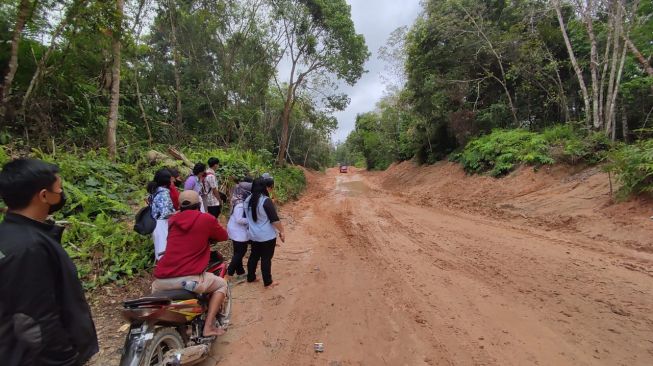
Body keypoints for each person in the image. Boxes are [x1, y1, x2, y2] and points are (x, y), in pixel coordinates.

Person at [0, 158, 98, 366]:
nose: (62, 194)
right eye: (59, 189)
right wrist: (66, 359)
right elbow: (35, 319)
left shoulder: (10, 235)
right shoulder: (29, 247)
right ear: (44, 196)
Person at [152, 190, 229, 337]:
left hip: (160, 281)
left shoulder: (172, 221)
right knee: (221, 285)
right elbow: (223, 236)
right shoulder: (206, 219)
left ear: (179, 206)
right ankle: (208, 327)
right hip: (188, 279)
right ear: (199, 204)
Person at [245, 176, 285, 287]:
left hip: (253, 235)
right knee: (266, 258)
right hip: (267, 236)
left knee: (254, 256)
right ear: (264, 187)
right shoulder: (265, 201)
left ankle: (251, 277)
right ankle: (268, 282)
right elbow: (274, 220)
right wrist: (282, 231)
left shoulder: (247, 200)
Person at [226, 177, 252, 282]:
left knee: (237, 251)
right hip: (238, 231)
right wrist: (251, 220)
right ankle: (229, 272)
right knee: (241, 252)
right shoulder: (241, 204)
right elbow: (239, 219)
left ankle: (240, 271)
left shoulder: (237, 200)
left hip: (235, 230)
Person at [148, 169, 175, 260]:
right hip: (163, 223)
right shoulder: (163, 193)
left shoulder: (154, 191)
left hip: (155, 222)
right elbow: (166, 213)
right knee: (164, 249)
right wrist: (179, 213)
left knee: (159, 248)